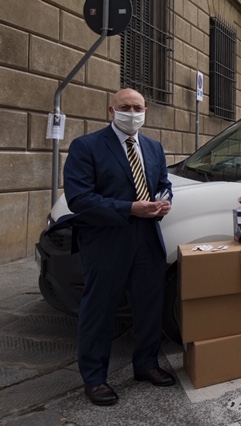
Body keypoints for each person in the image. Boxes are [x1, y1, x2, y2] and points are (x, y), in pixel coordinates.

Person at [63, 88, 175, 406]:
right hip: (106, 241)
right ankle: (95, 379)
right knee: (100, 310)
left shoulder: (153, 148)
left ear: (145, 110)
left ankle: (146, 365)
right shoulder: (87, 146)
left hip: (148, 239)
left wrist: (164, 200)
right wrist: (129, 208)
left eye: (137, 107)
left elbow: (164, 183)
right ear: (112, 111)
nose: (131, 111)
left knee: (150, 305)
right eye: (124, 106)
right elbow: (80, 199)